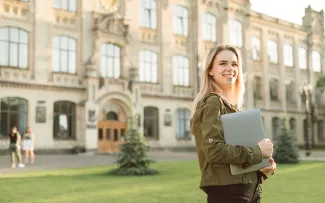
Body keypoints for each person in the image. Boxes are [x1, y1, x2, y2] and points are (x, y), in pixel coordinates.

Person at [190, 45, 276, 203]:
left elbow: (237, 159)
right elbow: (214, 151)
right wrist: (258, 151)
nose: (230, 68)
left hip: (249, 189)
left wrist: (264, 167)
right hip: (229, 193)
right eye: (223, 63)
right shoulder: (213, 102)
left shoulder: (232, 107)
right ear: (210, 70)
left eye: (234, 64)